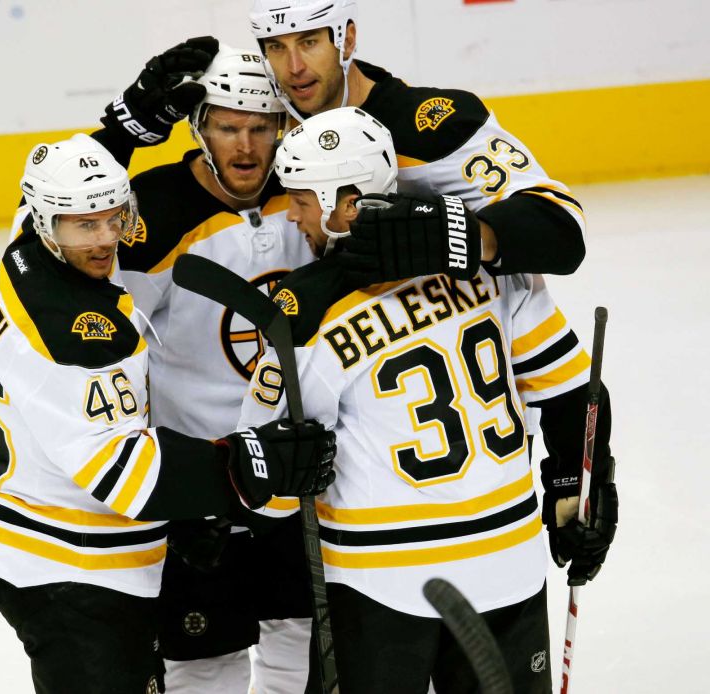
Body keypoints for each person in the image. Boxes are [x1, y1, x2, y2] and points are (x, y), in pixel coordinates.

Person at [238, 107, 619, 693]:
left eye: (300, 200)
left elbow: (268, 487)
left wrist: (272, 474)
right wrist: (579, 489)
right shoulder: (494, 271)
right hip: (507, 563)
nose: (291, 216)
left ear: (346, 205)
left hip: (380, 581)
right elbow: (572, 390)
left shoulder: (307, 311)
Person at [0, 133, 336, 694]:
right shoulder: (80, 337)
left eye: (115, 219)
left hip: (31, 537)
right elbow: (123, 472)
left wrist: (123, 125)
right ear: (48, 224)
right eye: (85, 226)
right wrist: (254, 466)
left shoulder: (23, 247)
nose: (106, 239)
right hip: (74, 568)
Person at [107, 45, 322, 693]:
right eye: (229, 126)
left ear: (284, 126)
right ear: (200, 127)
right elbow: (118, 351)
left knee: (303, 636)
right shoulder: (153, 209)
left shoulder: (312, 192)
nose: (247, 145)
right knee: (203, 664)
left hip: (296, 467)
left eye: (262, 126)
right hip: (200, 479)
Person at [247, 0, 587, 285]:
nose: (294, 68)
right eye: (277, 47)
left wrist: (460, 236)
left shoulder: (432, 128)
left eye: (308, 43)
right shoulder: (273, 122)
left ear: (346, 40)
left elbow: (562, 228)